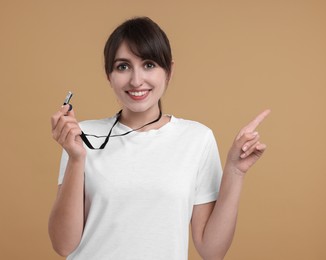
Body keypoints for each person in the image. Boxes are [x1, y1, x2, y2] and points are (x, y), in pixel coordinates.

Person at [49, 16, 270, 260]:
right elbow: (63, 245)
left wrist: (235, 172)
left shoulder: (197, 139)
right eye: (123, 66)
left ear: (169, 71)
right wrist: (76, 158)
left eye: (149, 65)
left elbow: (212, 250)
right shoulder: (82, 136)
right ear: (108, 75)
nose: (136, 80)